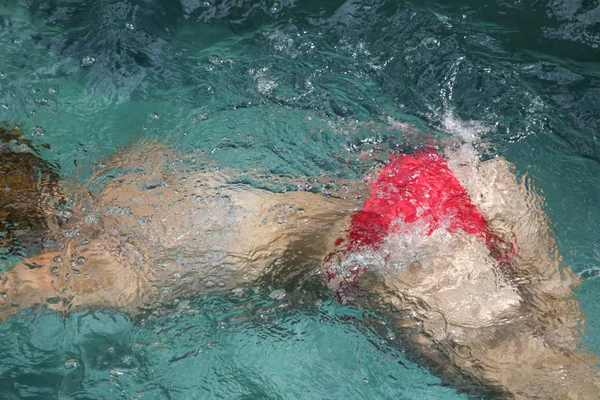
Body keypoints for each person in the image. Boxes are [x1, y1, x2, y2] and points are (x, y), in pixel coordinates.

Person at [0, 126, 598, 399]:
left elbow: (15, 289)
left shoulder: (98, 259)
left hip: (389, 244)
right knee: (570, 358)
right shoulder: (132, 163)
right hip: (452, 175)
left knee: (550, 389)